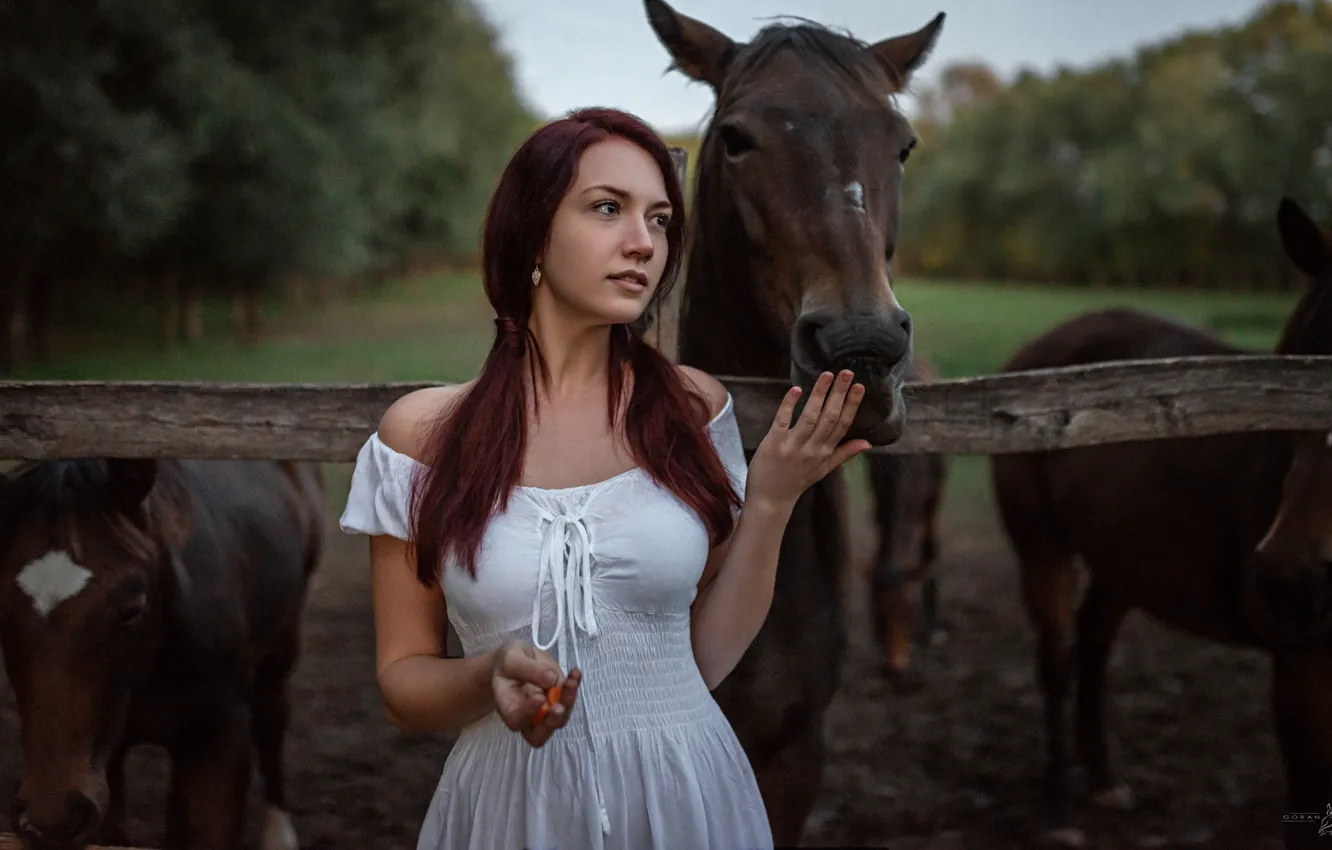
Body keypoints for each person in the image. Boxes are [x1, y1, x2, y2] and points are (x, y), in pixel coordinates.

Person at [338, 106, 872, 850]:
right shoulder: (423, 437)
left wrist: (773, 501)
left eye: (658, 220)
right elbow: (402, 686)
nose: (642, 244)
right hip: (508, 809)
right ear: (531, 231)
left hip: (686, 794)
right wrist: (485, 676)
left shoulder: (692, 408)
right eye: (608, 209)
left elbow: (703, 655)